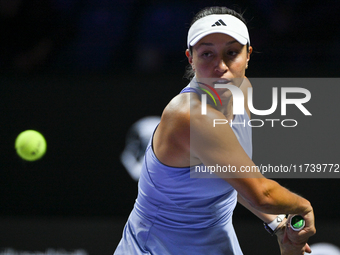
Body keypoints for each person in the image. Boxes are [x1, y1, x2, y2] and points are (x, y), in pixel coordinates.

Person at [114, 6, 316, 255]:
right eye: (207, 53)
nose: (221, 66)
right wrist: (303, 207)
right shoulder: (189, 115)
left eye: (232, 52)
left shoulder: (242, 91)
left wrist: (278, 224)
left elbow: (234, 177)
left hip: (216, 242)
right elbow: (261, 193)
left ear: (248, 54)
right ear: (191, 58)